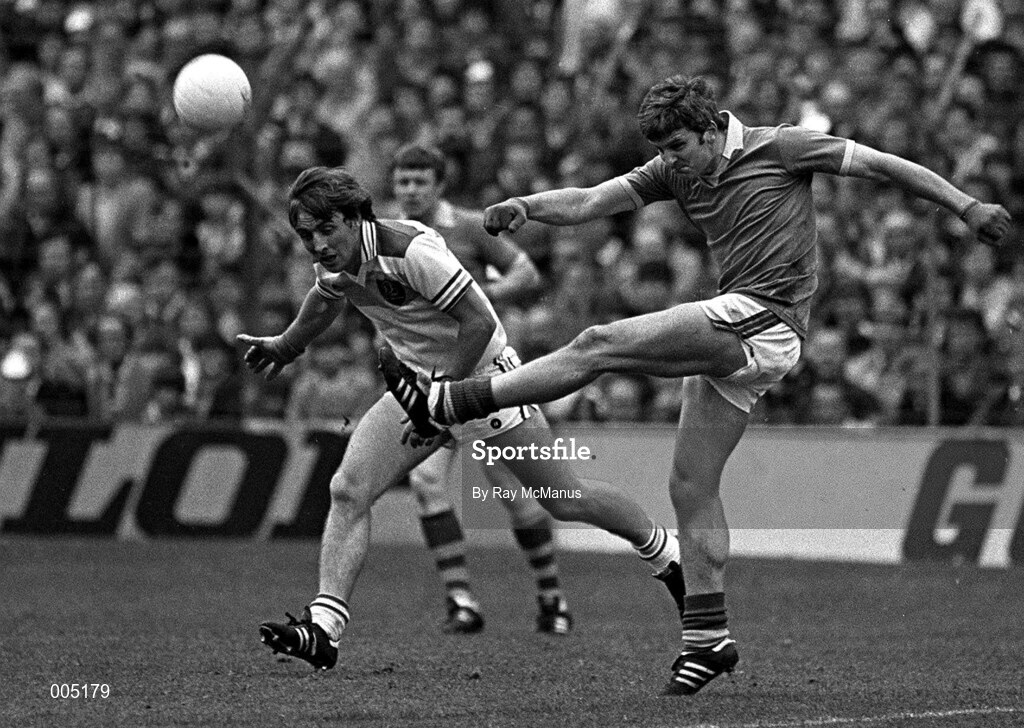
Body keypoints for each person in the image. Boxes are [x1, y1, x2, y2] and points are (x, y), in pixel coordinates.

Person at [379, 74, 1014, 696]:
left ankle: (451, 399)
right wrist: (526, 207)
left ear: (712, 130)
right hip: (741, 331)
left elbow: (883, 166)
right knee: (690, 485)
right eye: (662, 151)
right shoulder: (675, 167)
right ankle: (709, 638)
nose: (669, 161)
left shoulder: (783, 146)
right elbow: (590, 201)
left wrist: (966, 205)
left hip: (766, 317)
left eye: (678, 147)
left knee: (599, 343)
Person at [238, 166, 688, 673]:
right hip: (420, 381)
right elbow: (325, 299)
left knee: (564, 498)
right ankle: (323, 629)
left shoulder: (410, 251)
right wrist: (288, 343)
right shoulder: (337, 257)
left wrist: (443, 397)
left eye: (325, 230)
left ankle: (668, 553)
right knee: (348, 489)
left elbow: (478, 322)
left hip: (484, 381)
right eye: (306, 235)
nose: (317, 244)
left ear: (356, 218)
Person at [390, 143, 572, 635]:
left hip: (482, 374)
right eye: (402, 181)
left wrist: (477, 298)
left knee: (517, 495)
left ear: (439, 185)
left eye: (419, 181)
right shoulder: (388, 236)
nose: (409, 190)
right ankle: (461, 600)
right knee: (427, 482)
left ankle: (552, 598)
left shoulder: (469, 227)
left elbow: (527, 272)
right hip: (425, 378)